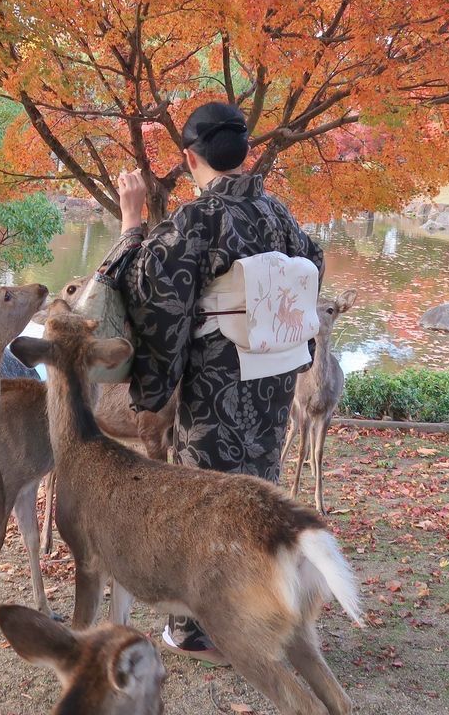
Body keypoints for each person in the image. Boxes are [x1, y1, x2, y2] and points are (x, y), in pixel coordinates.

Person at [105, 102, 325, 663]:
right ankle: (257, 606)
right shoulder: (279, 214)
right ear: (246, 152)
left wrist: (132, 224)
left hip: (219, 374)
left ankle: (199, 628)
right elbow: (313, 263)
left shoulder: (199, 220)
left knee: (204, 495)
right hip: (275, 374)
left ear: (189, 156)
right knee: (259, 486)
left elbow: (143, 284)